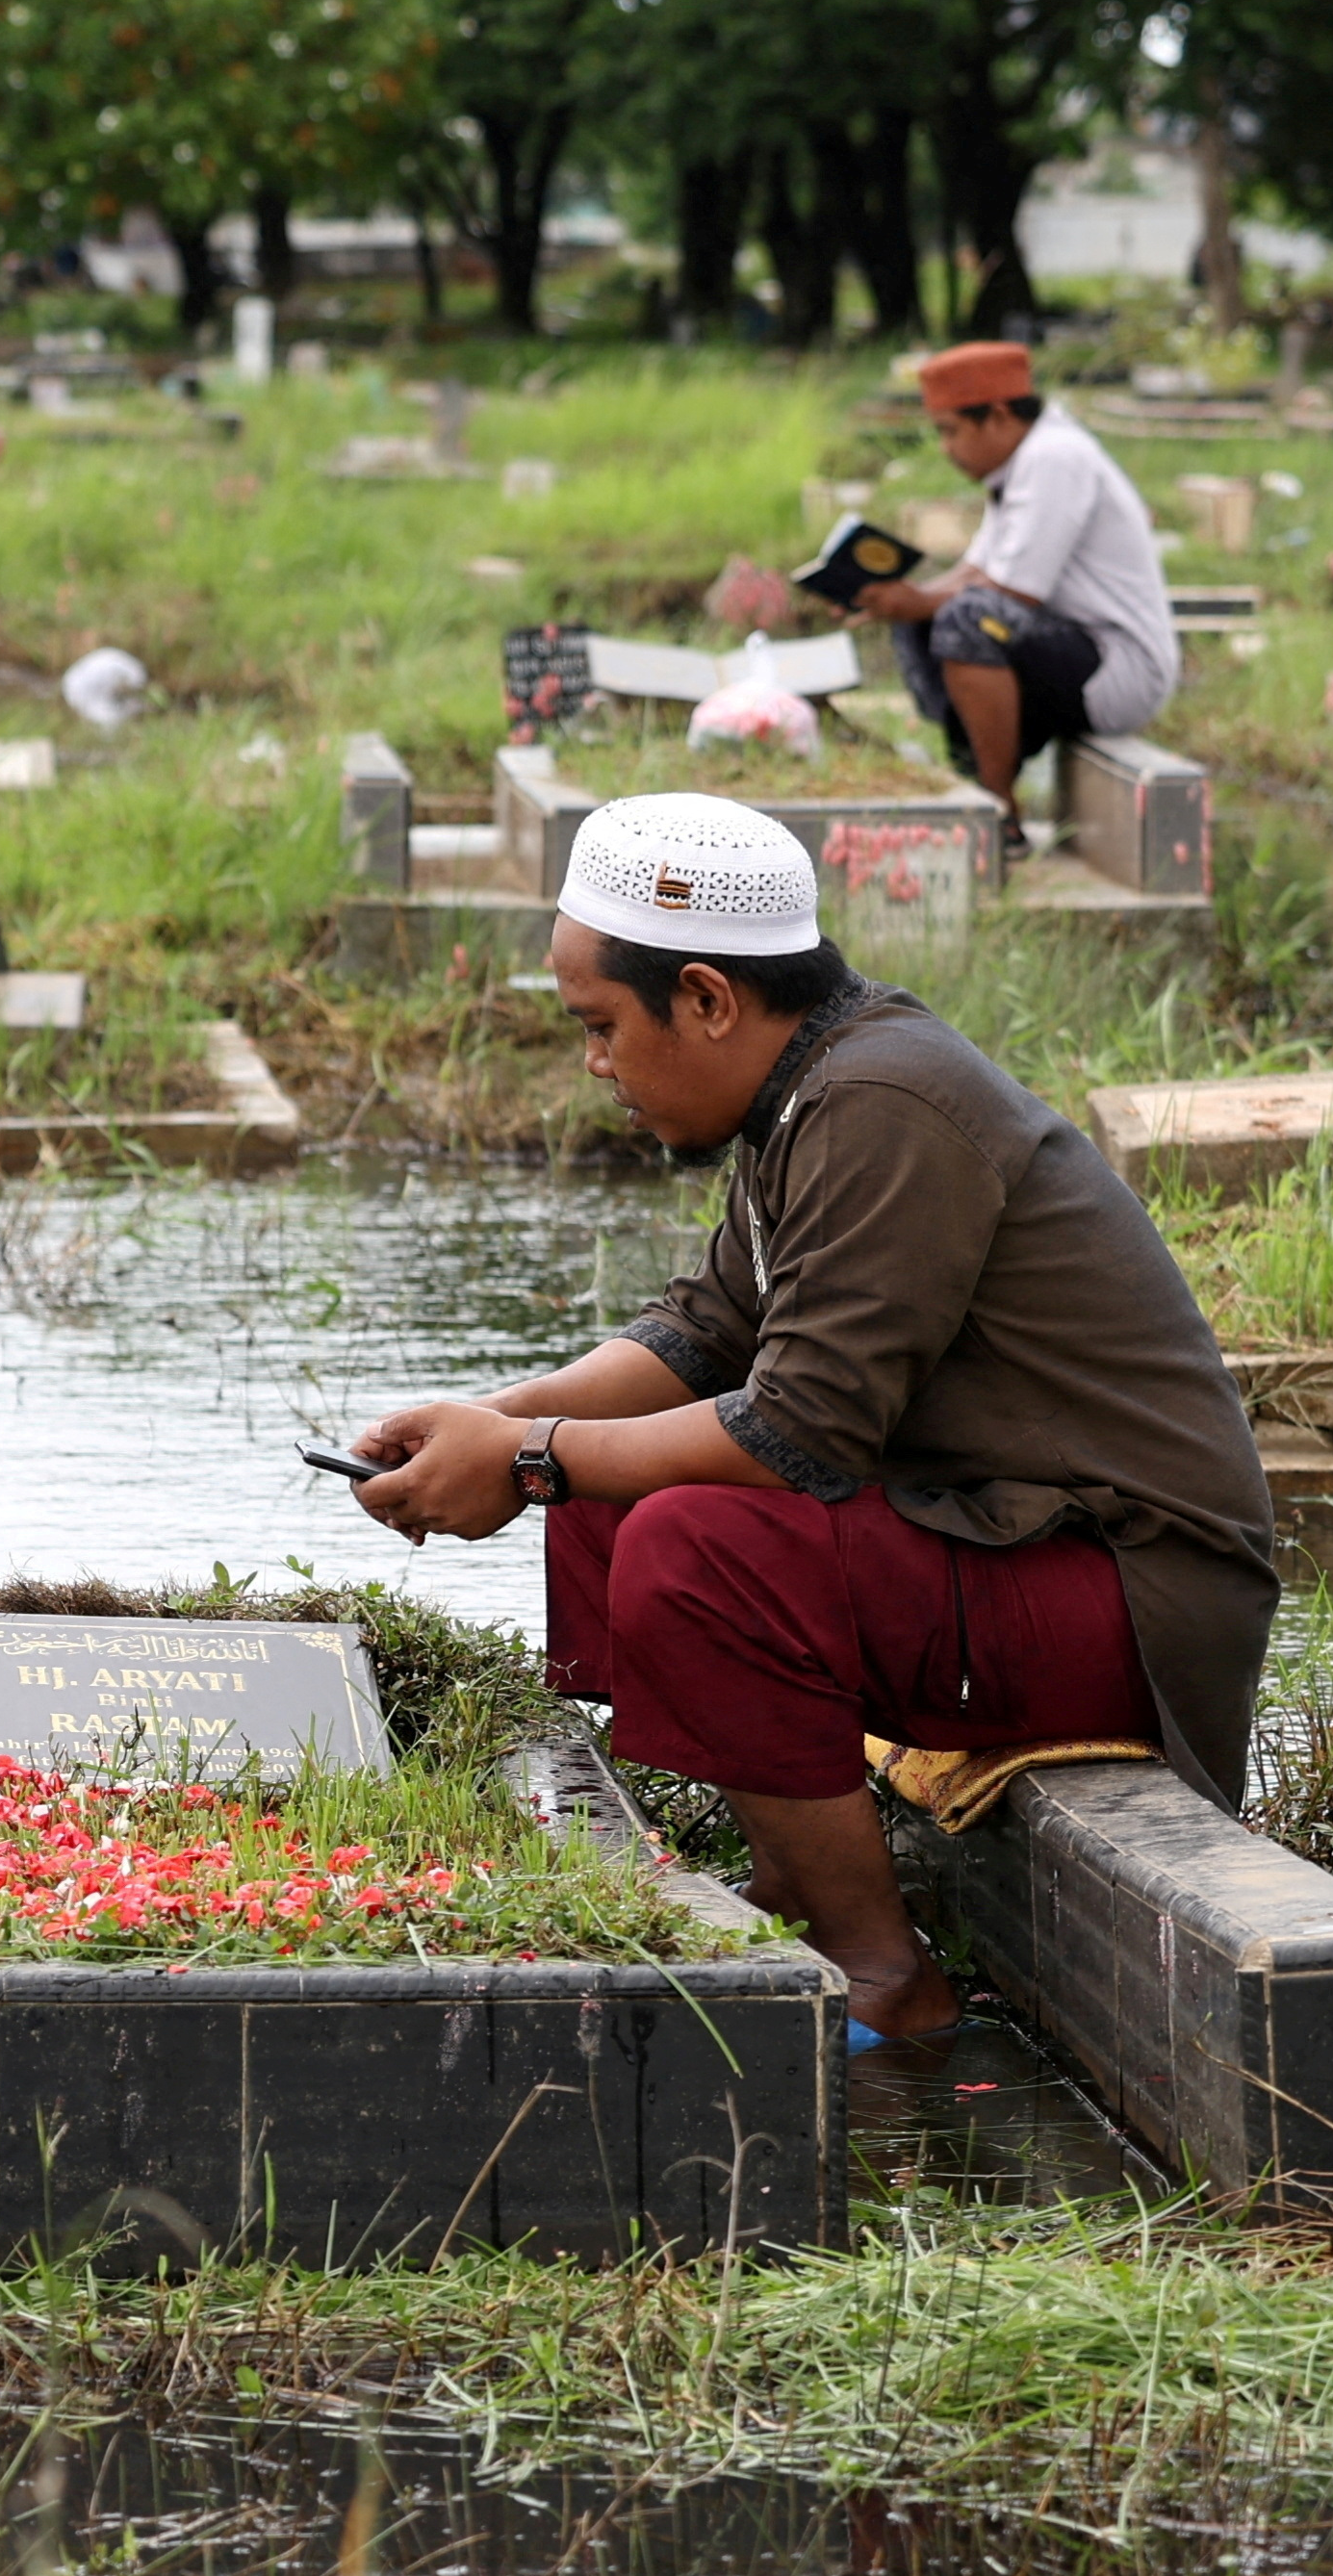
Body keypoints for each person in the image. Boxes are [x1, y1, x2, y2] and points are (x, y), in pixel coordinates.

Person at [338, 791, 1280, 2049]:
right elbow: (701, 1336)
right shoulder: (808, 1090)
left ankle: (882, 1973)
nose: (596, 1063)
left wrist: (525, 1459)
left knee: (690, 1545)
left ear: (709, 999)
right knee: (612, 1507)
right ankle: (787, 1869)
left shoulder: (883, 1101)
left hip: (1125, 1591)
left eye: (603, 1026)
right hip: (997, 1545)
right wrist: (492, 1418)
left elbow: (803, 1434)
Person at [843, 340, 1175, 842]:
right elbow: (974, 572)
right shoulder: (1022, 465)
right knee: (932, 617)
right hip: (1068, 651)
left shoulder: (1054, 457)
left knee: (969, 620)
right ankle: (972, 770)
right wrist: (899, 601)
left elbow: (1013, 592)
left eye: (950, 431)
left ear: (997, 416)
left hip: (1118, 666)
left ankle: (998, 810)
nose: (945, 448)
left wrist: (920, 599)